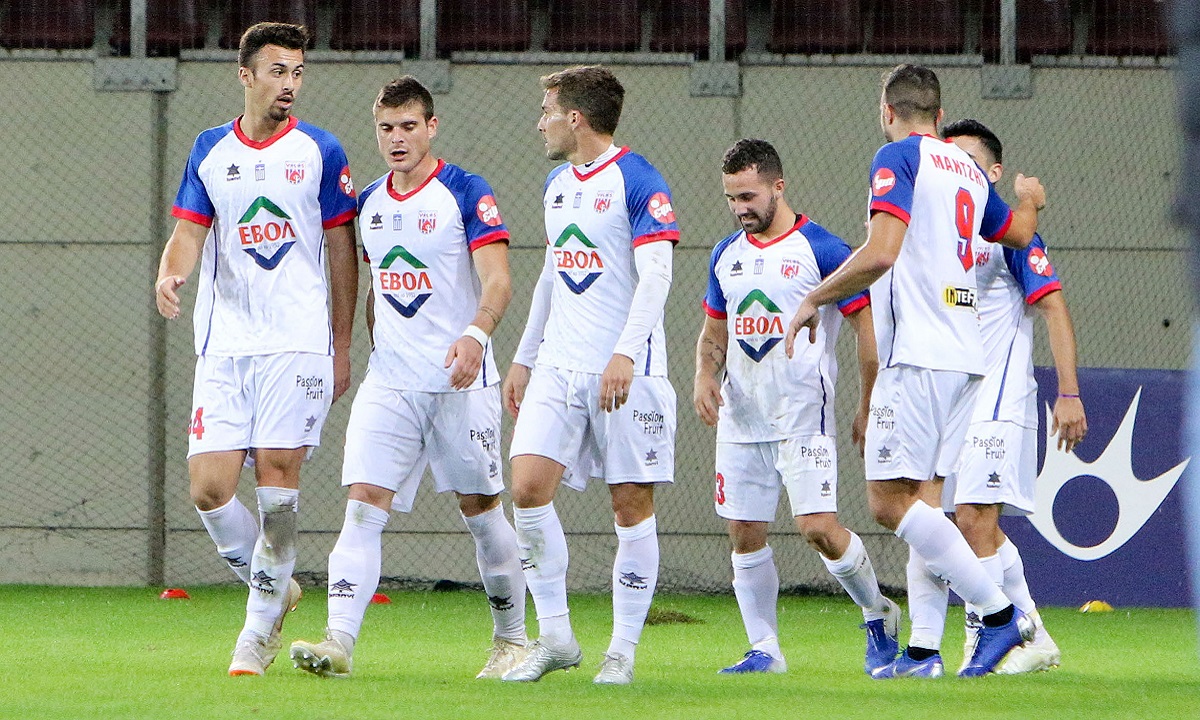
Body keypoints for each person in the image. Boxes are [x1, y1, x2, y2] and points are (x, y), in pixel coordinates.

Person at [783, 64, 1046, 678]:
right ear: (940, 113)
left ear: (888, 111)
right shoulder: (968, 169)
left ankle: (998, 613)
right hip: (965, 357)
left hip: (918, 356)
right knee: (925, 502)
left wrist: (815, 296)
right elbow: (1018, 231)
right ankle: (925, 651)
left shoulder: (898, 157)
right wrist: (1031, 199)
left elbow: (881, 253)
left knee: (886, 503)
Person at [288, 77, 526, 680]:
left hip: (459, 383)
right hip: (390, 383)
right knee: (362, 505)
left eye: (409, 126)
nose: (397, 138)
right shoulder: (368, 202)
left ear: (431, 127)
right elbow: (377, 292)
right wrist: (371, 349)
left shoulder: (465, 191)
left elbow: (498, 280)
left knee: (482, 510)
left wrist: (476, 335)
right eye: (386, 128)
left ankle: (511, 640)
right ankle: (338, 642)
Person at [154, 22, 358, 676]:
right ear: (245, 75)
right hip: (224, 347)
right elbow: (189, 232)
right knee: (209, 489)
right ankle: (276, 589)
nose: (289, 84)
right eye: (277, 71)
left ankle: (256, 634)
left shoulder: (321, 150)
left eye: (297, 72)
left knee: (276, 481)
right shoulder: (209, 149)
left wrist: (341, 344)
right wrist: (170, 273)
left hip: (296, 345)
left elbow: (342, 251)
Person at [500, 65, 679, 685]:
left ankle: (621, 651)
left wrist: (625, 353)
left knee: (630, 508)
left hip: (626, 371)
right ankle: (556, 637)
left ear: (574, 118)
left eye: (547, 112)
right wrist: (525, 356)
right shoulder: (556, 184)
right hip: (558, 365)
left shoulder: (639, 180)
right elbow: (553, 275)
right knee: (526, 490)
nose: (540, 124)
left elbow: (657, 275)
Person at [694, 139, 900, 676]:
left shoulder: (823, 250)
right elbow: (715, 331)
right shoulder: (725, 255)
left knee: (818, 529)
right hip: (741, 419)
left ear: (778, 187)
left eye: (748, 196)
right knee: (744, 533)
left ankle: (877, 612)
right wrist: (703, 375)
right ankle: (764, 648)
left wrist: (867, 402)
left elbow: (867, 332)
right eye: (731, 198)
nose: (739, 208)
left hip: (803, 416)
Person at [923, 118, 1085, 674]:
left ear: (992, 173)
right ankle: (1033, 633)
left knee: (972, 518)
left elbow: (1054, 307)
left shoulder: (1010, 237)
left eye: (969, 161)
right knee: (970, 525)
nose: (957, 170)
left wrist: (1069, 392)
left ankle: (981, 643)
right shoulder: (942, 235)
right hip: (954, 400)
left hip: (1000, 395)